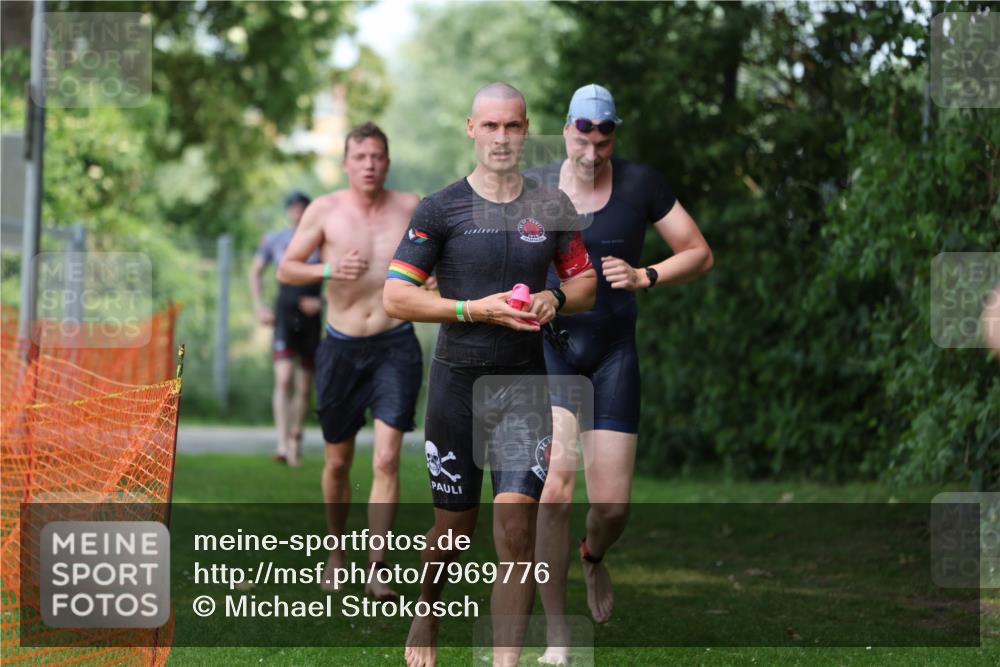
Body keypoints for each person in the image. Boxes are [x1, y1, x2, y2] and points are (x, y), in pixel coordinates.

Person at [383, 82, 597, 667]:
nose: (502, 138)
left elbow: (585, 283)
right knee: (452, 532)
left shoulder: (552, 206)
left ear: (527, 130)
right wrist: (473, 308)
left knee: (516, 535)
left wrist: (556, 298)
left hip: (524, 388)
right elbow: (396, 297)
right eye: (491, 127)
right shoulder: (440, 208)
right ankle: (426, 612)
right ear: (471, 129)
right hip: (456, 384)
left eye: (513, 126)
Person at [528, 84, 714, 665]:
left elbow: (698, 252)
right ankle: (558, 634)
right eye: (582, 136)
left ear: (614, 136)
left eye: (602, 139)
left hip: (612, 355)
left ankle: (592, 557)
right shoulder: (532, 187)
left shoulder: (639, 184)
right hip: (553, 349)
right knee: (555, 489)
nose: (591, 150)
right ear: (566, 130)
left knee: (612, 509)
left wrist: (646, 275)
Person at [277, 122, 424, 601]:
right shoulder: (325, 210)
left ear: (388, 161)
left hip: (394, 343)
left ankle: (377, 565)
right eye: (360, 157)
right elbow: (287, 268)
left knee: (386, 458)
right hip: (340, 347)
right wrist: (327, 269)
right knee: (338, 462)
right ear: (346, 163)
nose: (369, 165)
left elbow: (436, 270)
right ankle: (336, 551)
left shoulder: (410, 208)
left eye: (377, 156)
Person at [249, 191, 323, 467]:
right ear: (288, 212)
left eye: (303, 208)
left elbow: (341, 278)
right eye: (293, 209)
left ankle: (295, 440)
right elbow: (255, 271)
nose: (298, 213)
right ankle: (281, 442)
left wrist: (321, 300)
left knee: (304, 386)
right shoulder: (275, 240)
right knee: (283, 379)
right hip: (283, 315)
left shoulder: (322, 240)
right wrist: (259, 306)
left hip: (311, 321)